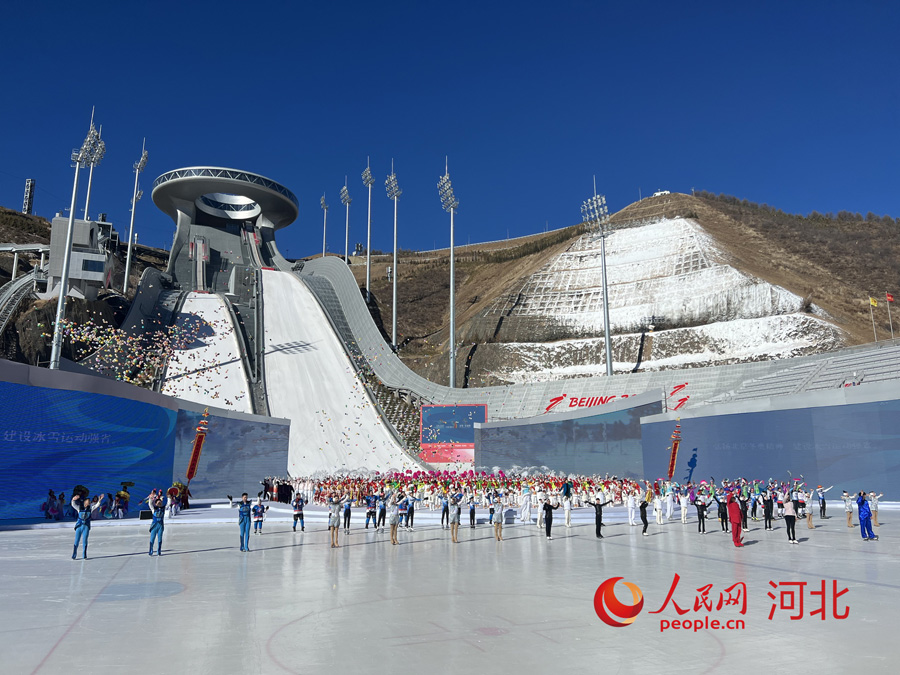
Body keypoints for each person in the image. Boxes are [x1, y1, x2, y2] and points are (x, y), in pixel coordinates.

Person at [71, 494, 91, 560]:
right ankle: (74, 554)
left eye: (89, 502)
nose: (88, 503)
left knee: (85, 540)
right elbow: (73, 505)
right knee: (76, 540)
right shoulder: (79, 508)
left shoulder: (90, 509)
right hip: (79, 525)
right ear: (84, 502)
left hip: (86, 526)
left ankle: (84, 554)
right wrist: (73, 499)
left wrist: (99, 501)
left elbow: (96, 505)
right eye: (87, 502)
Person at [149, 491, 165, 556]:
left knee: (160, 539)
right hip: (154, 525)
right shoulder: (153, 509)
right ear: (155, 503)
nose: (159, 503)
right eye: (158, 502)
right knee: (152, 538)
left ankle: (159, 551)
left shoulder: (163, 509)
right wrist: (150, 497)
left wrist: (169, 497)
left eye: (160, 502)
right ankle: (151, 550)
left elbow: (169, 503)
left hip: (160, 525)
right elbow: (150, 504)